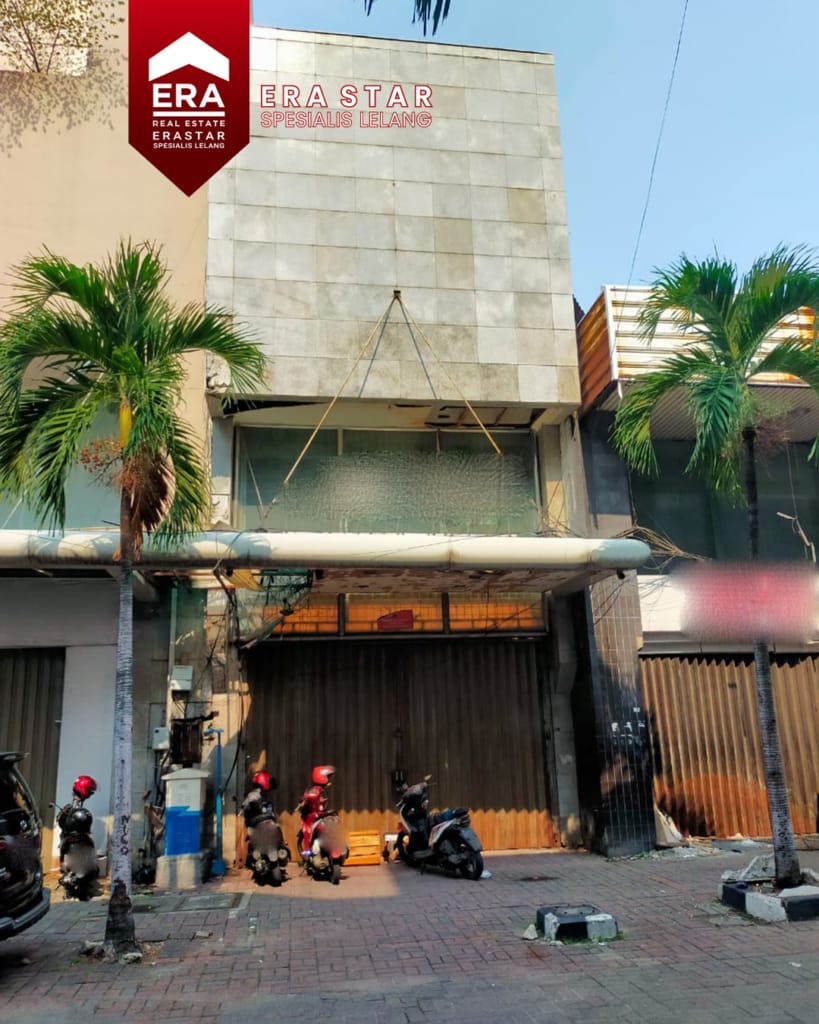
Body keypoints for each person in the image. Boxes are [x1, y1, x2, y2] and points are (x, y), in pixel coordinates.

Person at [297, 764, 335, 855]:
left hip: (318, 815)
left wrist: (303, 799)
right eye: (327, 777)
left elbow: (309, 797)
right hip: (316, 815)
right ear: (322, 777)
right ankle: (308, 852)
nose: (328, 779)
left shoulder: (319, 789)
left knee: (307, 828)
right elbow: (310, 796)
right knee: (307, 829)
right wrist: (304, 799)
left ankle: (308, 852)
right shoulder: (316, 790)